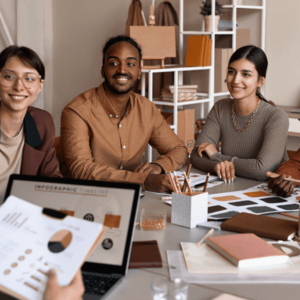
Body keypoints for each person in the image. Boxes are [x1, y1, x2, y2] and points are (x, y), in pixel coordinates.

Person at [60, 35, 188, 192]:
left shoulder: (146, 108)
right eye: (113, 63)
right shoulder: (76, 111)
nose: (122, 70)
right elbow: (81, 170)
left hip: (131, 197)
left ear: (139, 72)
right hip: (85, 197)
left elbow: (180, 150)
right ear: (102, 70)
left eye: (130, 64)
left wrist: (158, 166)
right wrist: (142, 180)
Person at [190, 45, 289, 182]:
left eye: (246, 74)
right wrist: (224, 164)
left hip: (267, 194)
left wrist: (215, 156)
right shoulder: (220, 107)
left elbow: (262, 170)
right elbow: (196, 156)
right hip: (231, 188)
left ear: (260, 80)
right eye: (231, 72)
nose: (236, 80)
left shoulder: (276, 117)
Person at [0, 46, 61, 202]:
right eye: (9, 77)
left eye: (29, 78)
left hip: (19, 218)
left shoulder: (42, 122)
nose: (19, 86)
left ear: (40, 86)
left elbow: (52, 181)